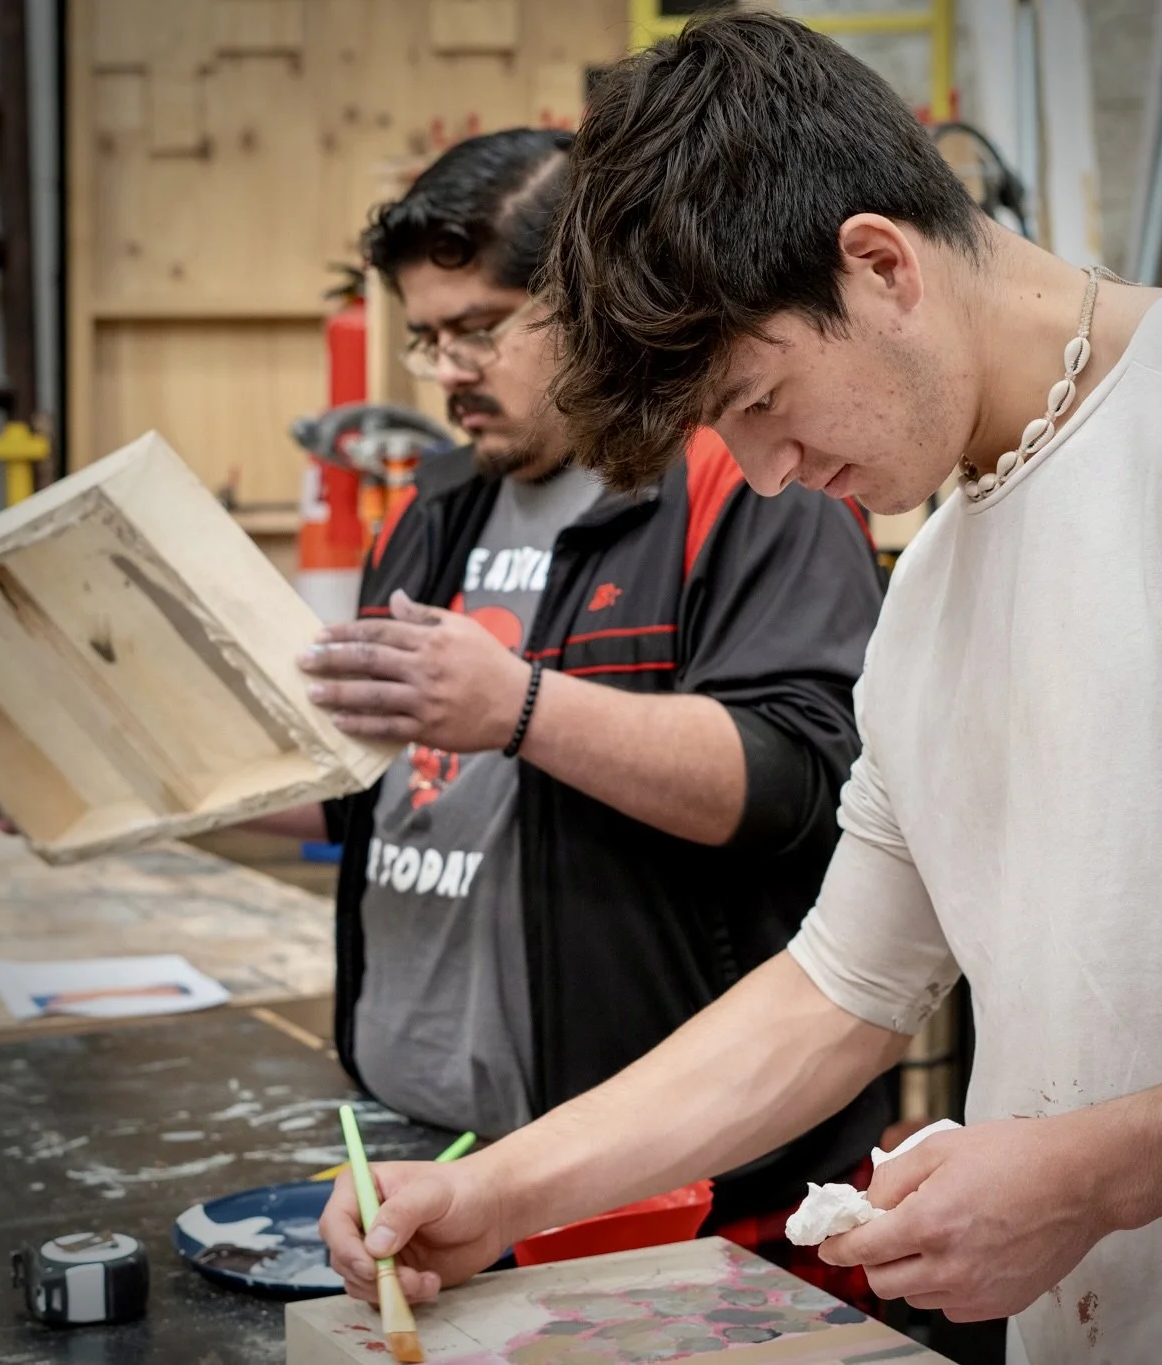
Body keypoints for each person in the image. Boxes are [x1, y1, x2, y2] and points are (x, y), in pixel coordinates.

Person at [319, 16, 1162, 1365]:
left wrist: (1091, 1174)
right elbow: (838, 991)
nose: (761, 472)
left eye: (759, 399)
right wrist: (497, 1190)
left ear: (878, 265)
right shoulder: (931, 581)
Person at [291, 127, 898, 1307]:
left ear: (590, 299)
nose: (451, 368)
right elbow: (368, 781)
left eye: (480, 327)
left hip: (675, 1187)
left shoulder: (754, 477)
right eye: (427, 339)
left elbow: (799, 781)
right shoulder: (431, 512)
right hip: (426, 1151)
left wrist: (516, 706)